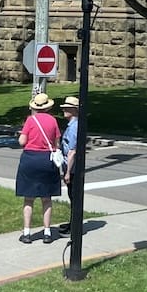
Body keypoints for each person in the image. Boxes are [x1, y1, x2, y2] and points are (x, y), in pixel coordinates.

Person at [15, 92, 61, 244]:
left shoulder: (30, 120)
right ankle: (47, 232)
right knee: (46, 199)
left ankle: (27, 232)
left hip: (30, 159)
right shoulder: (53, 121)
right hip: (47, 159)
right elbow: (57, 143)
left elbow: (22, 141)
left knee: (28, 199)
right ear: (48, 107)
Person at [57, 95, 79, 235]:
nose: (64, 110)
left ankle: (74, 228)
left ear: (75, 110)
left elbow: (72, 151)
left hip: (73, 169)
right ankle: (72, 223)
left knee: (74, 197)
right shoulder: (71, 126)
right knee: (72, 197)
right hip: (69, 167)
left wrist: (67, 172)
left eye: (67, 108)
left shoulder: (74, 127)